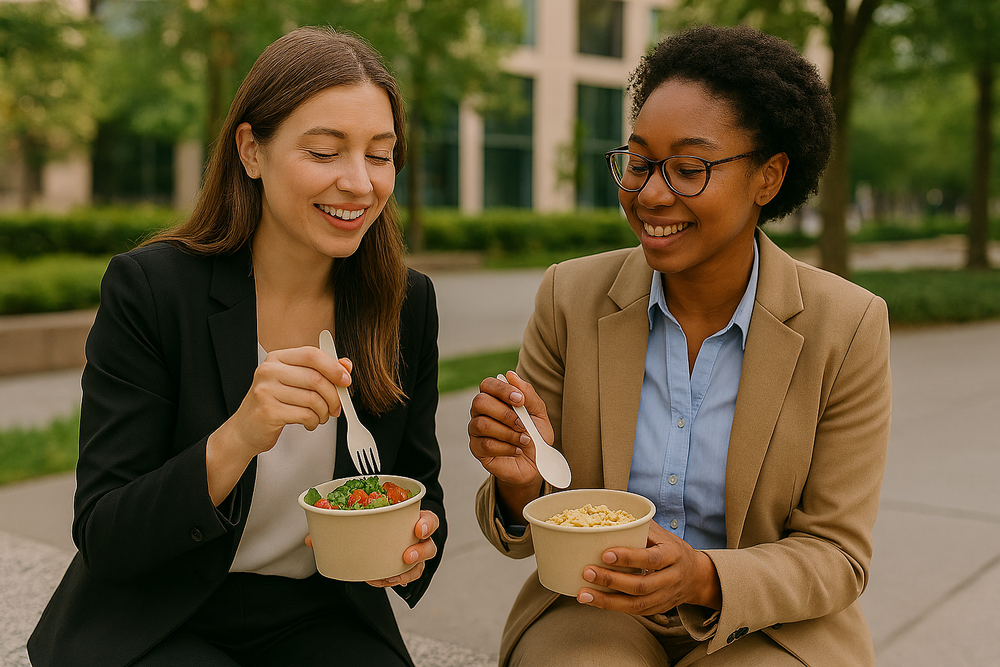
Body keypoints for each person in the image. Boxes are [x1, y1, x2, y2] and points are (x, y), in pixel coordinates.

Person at [470, 24, 890, 667]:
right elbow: (534, 526)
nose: (651, 194)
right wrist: (521, 483)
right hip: (592, 602)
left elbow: (837, 554)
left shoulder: (847, 326)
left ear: (769, 177)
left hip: (767, 625)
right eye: (639, 163)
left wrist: (701, 577)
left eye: (689, 170)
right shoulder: (569, 297)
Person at [28, 26, 446, 667]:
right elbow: (105, 532)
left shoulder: (404, 302)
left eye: (381, 155)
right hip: (156, 610)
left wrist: (411, 547)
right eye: (325, 152)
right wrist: (240, 436)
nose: (360, 183)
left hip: (320, 612)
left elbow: (417, 490)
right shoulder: (152, 290)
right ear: (251, 150)